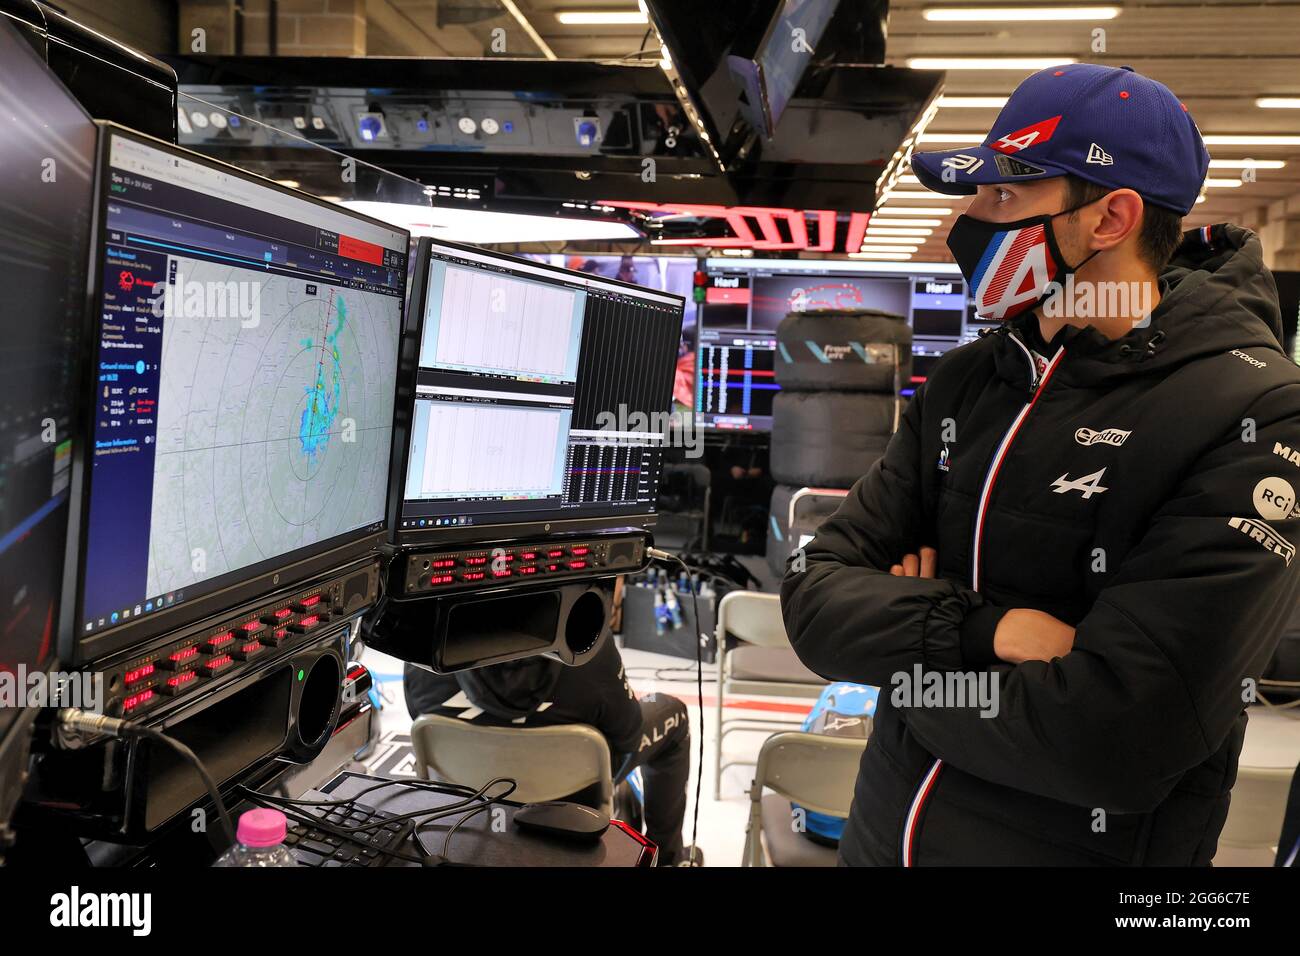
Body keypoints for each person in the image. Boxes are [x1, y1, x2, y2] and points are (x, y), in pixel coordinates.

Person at [781, 63, 1300, 866]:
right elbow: (814, 601)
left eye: (1003, 197)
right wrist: (982, 630)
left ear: (1109, 218)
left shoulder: (1254, 412)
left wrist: (901, 666)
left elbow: (1118, 736)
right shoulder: (968, 379)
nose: (971, 217)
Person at [402, 638, 700, 865]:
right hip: (577, 790)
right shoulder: (588, 642)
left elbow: (417, 713)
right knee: (674, 714)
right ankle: (666, 858)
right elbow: (627, 740)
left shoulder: (423, 644)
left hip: (468, 793)